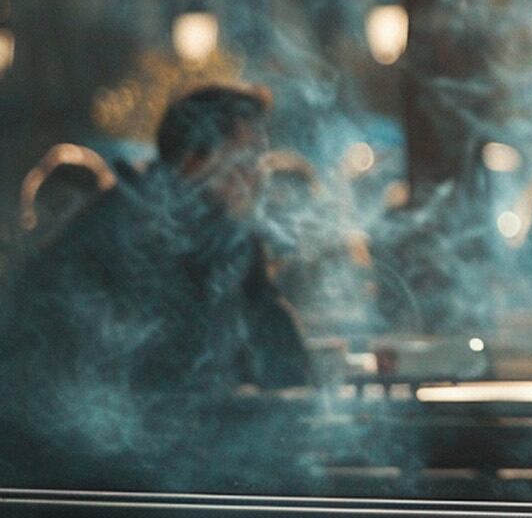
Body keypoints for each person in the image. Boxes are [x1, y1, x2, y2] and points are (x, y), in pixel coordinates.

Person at [0, 85, 310, 486]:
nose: (259, 174)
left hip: (139, 461)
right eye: (249, 157)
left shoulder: (213, 230)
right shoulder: (135, 227)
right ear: (199, 160)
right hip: (79, 473)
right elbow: (173, 375)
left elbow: (283, 363)